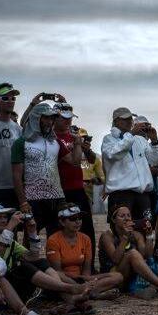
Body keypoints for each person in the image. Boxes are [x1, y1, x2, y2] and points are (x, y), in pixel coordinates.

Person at [0, 203, 90, 314]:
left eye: (5, 217)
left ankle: (71, 299)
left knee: (41, 262)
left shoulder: (10, 241)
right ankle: (70, 289)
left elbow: (33, 257)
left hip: (14, 287)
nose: (4, 220)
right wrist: (10, 228)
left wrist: (32, 233)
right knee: (23, 268)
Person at [98, 205, 158, 300]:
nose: (126, 218)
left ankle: (150, 288)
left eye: (128, 215)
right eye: (122, 216)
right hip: (116, 277)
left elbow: (147, 256)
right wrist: (125, 237)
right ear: (114, 220)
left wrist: (149, 236)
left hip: (135, 275)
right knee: (132, 253)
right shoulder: (107, 236)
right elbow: (115, 259)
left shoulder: (136, 235)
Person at [46, 202, 122, 299]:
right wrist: (78, 282)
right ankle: (92, 293)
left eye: (80, 218)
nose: (78, 222)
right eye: (73, 219)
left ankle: (86, 291)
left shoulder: (85, 238)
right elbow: (57, 271)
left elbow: (87, 269)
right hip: (65, 280)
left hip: (82, 279)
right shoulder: (53, 240)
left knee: (118, 276)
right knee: (57, 276)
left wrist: (87, 281)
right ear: (62, 222)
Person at [12, 102, 64, 235]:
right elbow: (16, 176)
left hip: (57, 197)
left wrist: (78, 144)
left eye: (52, 118)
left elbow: (73, 162)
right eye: (46, 118)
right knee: (31, 237)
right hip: (33, 199)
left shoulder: (55, 142)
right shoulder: (21, 143)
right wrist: (23, 202)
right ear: (36, 118)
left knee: (57, 236)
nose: (50, 121)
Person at [101, 107, 158, 221]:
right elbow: (114, 154)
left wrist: (154, 142)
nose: (129, 121)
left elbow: (155, 160)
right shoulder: (108, 139)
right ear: (116, 121)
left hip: (142, 194)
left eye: (130, 119)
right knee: (122, 231)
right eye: (125, 119)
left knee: (145, 229)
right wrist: (131, 134)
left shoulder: (140, 140)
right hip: (121, 194)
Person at [52, 104, 95, 246]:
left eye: (70, 118)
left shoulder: (75, 136)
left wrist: (86, 150)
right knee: (61, 228)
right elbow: (75, 162)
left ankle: (88, 264)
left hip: (77, 187)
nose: (68, 121)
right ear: (55, 118)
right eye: (64, 118)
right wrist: (76, 145)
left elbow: (92, 160)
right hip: (60, 190)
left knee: (87, 227)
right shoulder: (51, 137)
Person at [78, 128, 106, 213]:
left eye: (86, 139)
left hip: (87, 192)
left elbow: (102, 178)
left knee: (86, 216)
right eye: (81, 139)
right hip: (71, 189)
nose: (84, 142)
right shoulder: (69, 154)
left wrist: (95, 180)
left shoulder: (95, 158)